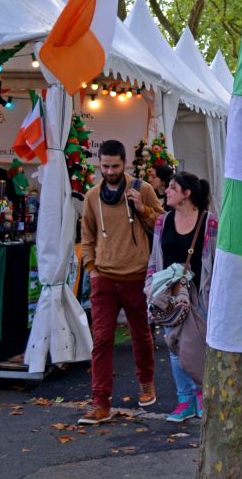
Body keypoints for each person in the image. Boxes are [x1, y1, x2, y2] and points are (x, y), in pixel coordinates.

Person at [79, 140, 165, 424]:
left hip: (137, 277)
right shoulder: (92, 197)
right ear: (99, 164)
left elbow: (164, 225)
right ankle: (100, 401)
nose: (110, 171)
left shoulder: (143, 189)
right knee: (102, 340)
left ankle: (146, 383)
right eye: (105, 166)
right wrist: (91, 268)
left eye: (115, 166)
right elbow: (87, 236)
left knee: (141, 334)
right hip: (103, 277)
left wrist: (143, 209)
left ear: (125, 163)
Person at [145, 172, 217, 422]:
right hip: (171, 295)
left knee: (196, 347)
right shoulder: (162, 222)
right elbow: (155, 256)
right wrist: (150, 284)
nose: (167, 191)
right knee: (174, 346)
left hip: (200, 296)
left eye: (173, 188)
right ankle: (184, 400)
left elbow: (216, 261)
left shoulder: (209, 222)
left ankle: (200, 394)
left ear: (187, 194)